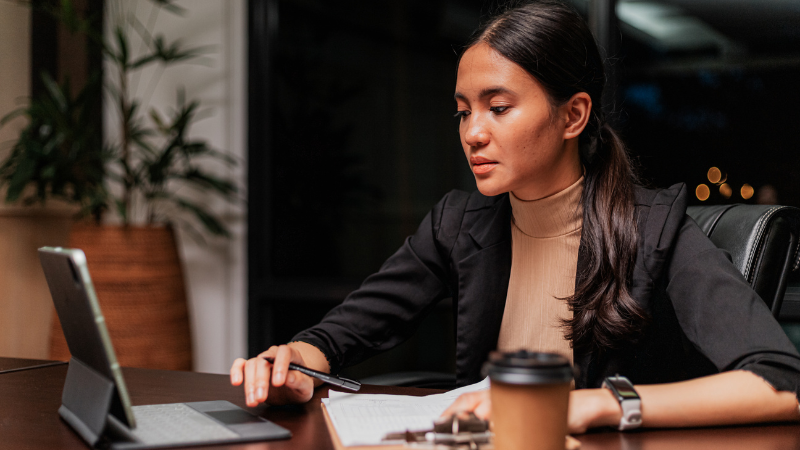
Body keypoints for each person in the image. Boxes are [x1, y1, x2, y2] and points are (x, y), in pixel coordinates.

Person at [231, 0, 800, 433]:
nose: (473, 133)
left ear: (573, 115)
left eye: (498, 108)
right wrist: (295, 364)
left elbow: (783, 382)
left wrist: (593, 403)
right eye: (463, 112)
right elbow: (340, 335)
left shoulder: (656, 227)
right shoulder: (460, 223)